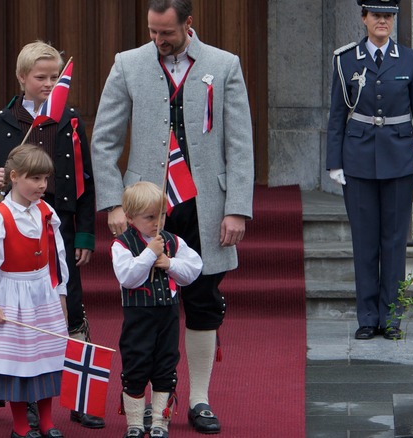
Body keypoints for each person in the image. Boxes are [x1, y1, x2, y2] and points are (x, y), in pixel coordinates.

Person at [90, 0, 254, 433]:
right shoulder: (127, 64)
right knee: (147, 308)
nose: (158, 40)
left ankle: (198, 400)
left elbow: (240, 143)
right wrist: (112, 204)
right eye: (152, 31)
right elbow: (103, 140)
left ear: (188, 24)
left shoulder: (224, 64)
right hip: (146, 205)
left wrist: (237, 207)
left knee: (202, 301)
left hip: (205, 204)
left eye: (166, 32)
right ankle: (147, 403)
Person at [0, 41, 103, 429]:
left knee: (71, 305)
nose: (49, 84)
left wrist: (83, 234)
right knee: (26, 317)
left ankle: (78, 395)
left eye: (54, 77)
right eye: (41, 77)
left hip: (57, 222)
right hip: (16, 223)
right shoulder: (3, 122)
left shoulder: (70, 119)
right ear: (21, 78)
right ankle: (29, 398)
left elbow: (84, 180)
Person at [326, 0, 413, 341]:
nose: (382, 21)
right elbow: (335, 116)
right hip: (357, 160)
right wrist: (334, 163)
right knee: (365, 242)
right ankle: (367, 317)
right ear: (364, 19)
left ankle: (392, 317)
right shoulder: (345, 60)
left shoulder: (411, 60)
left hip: (400, 160)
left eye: (388, 16)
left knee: (394, 242)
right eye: (376, 16)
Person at [0, 144, 69, 438]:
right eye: (35, 179)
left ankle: (48, 421)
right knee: (17, 362)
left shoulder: (46, 212)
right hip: (12, 296)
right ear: (14, 176)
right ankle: (21, 425)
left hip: (43, 293)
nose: (42, 185)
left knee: (46, 357)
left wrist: (60, 292)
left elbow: (57, 255)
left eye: (45, 179)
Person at [112, 182, 203, 438]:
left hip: (168, 316)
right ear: (130, 218)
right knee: (135, 367)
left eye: (161, 215)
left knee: (165, 367)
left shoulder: (173, 242)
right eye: (150, 217)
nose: (157, 222)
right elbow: (128, 277)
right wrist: (150, 255)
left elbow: (194, 269)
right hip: (139, 318)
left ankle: (160, 424)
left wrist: (170, 263)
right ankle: (135, 423)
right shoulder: (122, 244)